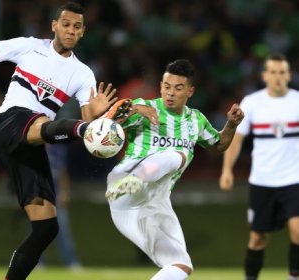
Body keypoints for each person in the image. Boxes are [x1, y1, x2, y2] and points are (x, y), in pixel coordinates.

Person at [0, 2, 131, 279]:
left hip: (32, 142)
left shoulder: (83, 74)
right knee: (44, 123)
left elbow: (91, 134)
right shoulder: (28, 46)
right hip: (10, 122)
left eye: (77, 27)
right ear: (54, 25)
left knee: (47, 227)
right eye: (66, 24)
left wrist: (97, 117)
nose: (71, 30)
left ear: (83, 31)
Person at [105, 59, 244, 280]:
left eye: (178, 88)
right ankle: (135, 180)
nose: (170, 93)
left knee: (180, 266)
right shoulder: (144, 107)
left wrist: (231, 125)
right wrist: (134, 108)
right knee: (177, 154)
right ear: (160, 86)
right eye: (166, 86)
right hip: (125, 186)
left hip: (154, 203)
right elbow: (106, 126)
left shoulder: (196, 120)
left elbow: (218, 145)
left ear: (190, 91)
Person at [219, 53, 299, 280]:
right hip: (262, 181)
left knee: (298, 231)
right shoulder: (252, 102)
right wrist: (227, 170)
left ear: (289, 75)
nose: (277, 77)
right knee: (258, 238)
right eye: (272, 72)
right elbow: (237, 139)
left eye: (282, 72)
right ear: (264, 75)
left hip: (294, 179)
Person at [45, 143, 81, 269]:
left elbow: (63, 172)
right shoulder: (30, 147)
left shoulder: (57, 149)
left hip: (55, 196)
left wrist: (64, 193)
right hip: (37, 196)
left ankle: (71, 262)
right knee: (37, 232)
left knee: (63, 231)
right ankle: (38, 263)